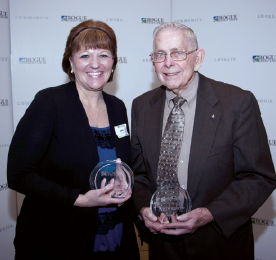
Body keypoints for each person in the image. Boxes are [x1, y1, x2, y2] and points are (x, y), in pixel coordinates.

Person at [131, 22, 276, 260]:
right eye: (160, 55)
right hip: (163, 248)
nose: (168, 63)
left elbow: (258, 177)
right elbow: (138, 175)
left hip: (219, 245)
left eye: (178, 53)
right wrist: (144, 209)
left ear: (198, 58)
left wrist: (209, 214)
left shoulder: (237, 103)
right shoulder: (141, 106)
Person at [7, 19, 139, 260]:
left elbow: (114, 161)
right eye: (85, 56)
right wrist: (79, 199)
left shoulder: (118, 107)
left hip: (114, 236)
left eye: (104, 55)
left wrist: (121, 179)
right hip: (59, 237)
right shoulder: (50, 103)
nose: (95, 64)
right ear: (70, 62)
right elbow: (19, 174)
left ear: (113, 63)